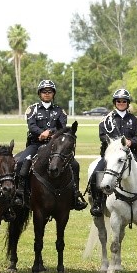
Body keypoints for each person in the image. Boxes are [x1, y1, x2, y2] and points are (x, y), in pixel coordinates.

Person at [88, 88, 137, 216]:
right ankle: (97, 203)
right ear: (115, 102)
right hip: (111, 156)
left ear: (128, 103)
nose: (121, 103)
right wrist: (116, 143)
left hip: (132, 155)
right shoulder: (107, 119)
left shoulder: (134, 120)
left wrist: (131, 142)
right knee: (96, 174)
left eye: (124, 101)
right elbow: (102, 136)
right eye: (118, 101)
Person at [14, 79, 87, 211]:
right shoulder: (32, 109)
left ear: (53, 94)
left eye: (49, 91)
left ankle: (75, 195)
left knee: (75, 165)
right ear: (40, 94)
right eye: (44, 91)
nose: (47, 94)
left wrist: (49, 133)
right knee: (21, 162)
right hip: (36, 144)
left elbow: (63, 127)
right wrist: (41, 133)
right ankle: (19, 193)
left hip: (56, 145)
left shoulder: (60, 111)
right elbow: (31, 126)